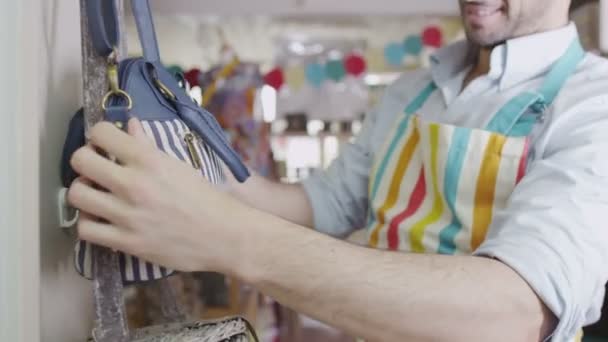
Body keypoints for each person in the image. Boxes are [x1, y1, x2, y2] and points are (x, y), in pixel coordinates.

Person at [67, 0, 608, 340]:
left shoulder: (593, 104)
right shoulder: (412, 91)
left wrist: (227, 237)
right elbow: (320, 206)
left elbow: (515, 314)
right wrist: (191, 160)